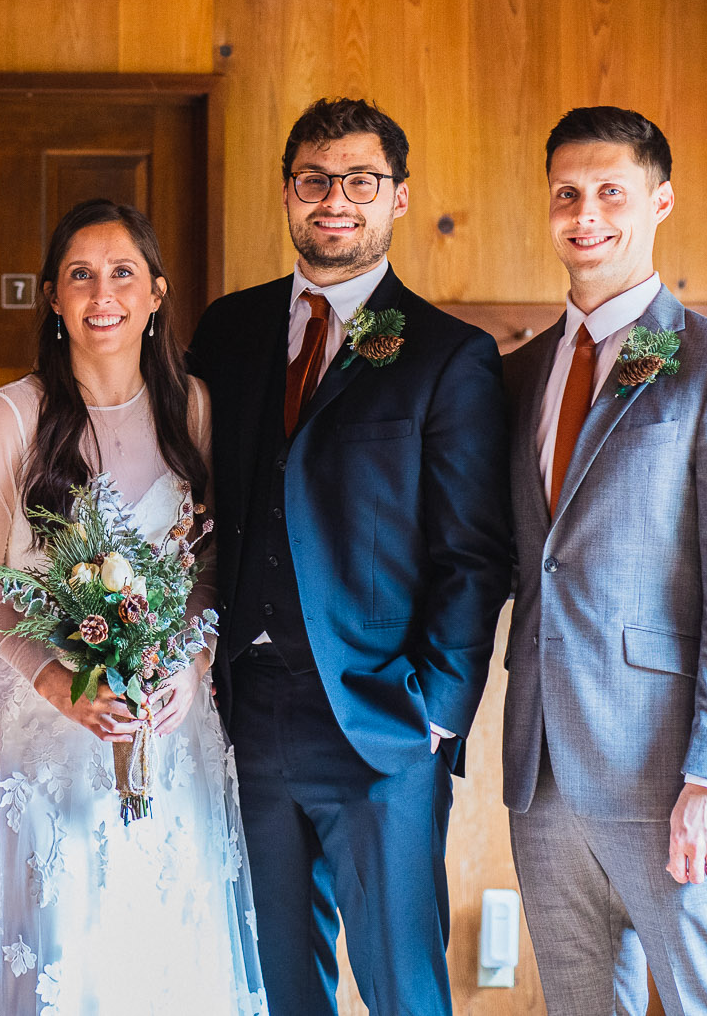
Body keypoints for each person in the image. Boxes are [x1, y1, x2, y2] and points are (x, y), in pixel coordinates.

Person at [187, 98, 514, 1016]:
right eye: (316, 180)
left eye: (361, 181)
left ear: (398, 197)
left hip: (383, 719)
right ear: (288, 193)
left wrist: (436, 710)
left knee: (404, 989)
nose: (336, 199)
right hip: (246, 712)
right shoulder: (228, 331)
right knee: (277, 987)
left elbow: (474, 552)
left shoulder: (448, 355)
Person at [501, 106, 707, 1016]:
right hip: (543, 775)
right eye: (567, 193)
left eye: (610, 192)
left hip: (671, 774)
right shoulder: (520, 373)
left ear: (660, 201)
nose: (585, 214)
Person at [0, 199, 269, 1015]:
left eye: (123, 272)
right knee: (66, 951)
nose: (102, 293)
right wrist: (55, 680)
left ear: (156, 292)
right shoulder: (10, 415)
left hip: (169, 720)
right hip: (45, 726)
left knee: (164, 953)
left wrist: (191, 663)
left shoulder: (194, 407)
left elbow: (208, 560)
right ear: (53, 297)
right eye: (80, 275)